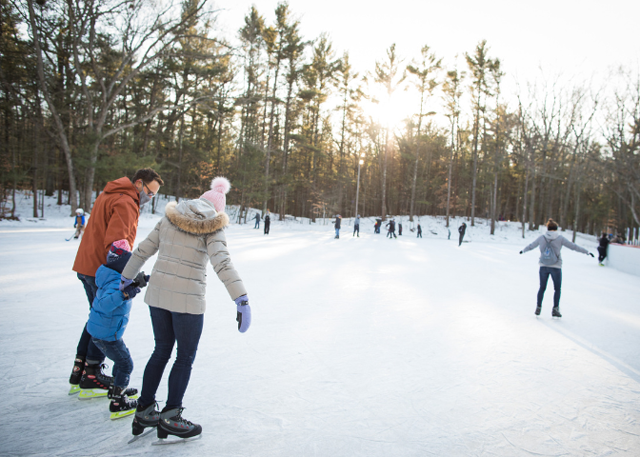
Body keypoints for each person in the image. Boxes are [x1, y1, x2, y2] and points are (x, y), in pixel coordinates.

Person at [122, 176, 250, 442]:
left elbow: (145, 248)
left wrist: (126, 276)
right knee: (184, 357)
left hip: (158, 296)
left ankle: (144, 410)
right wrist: (241, 299)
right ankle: (170, 416)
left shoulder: (170, 216)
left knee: (161, 351)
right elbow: (222, 264)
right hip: (188, 302)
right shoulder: (213, 225)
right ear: (218, 209)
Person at [69, 168, 163, 396]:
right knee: (104, 319)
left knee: (96, 315)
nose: (150, 198)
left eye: (154, 195)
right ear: (139, 183)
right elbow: (117, 246)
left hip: (87, 264)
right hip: (101, 270)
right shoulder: (126, 202)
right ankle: (91, 373)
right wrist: (129, 274)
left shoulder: (110, 193)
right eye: (149, 192)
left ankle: (80, 369)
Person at [87, 240, 149, 416]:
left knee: (120, 361)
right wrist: (124, 294)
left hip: (103, 332)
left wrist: (136, 284)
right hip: (107, 335)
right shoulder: (116, 285)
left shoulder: (110, 277)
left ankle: (116, 388)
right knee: (125, 364)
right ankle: (118, 402)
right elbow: (106, 303)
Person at [520, 218, 594, 317]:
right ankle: (555, 309)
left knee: (542, 288)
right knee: (557, 289)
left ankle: (538, 307)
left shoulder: (542, 238)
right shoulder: (560, 238)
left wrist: (523, 250)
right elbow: (573, 246)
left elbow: (531, 245)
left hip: (543, 266)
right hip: (556, 266)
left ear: (547, 228)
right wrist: (586, 252)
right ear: (556, 229)